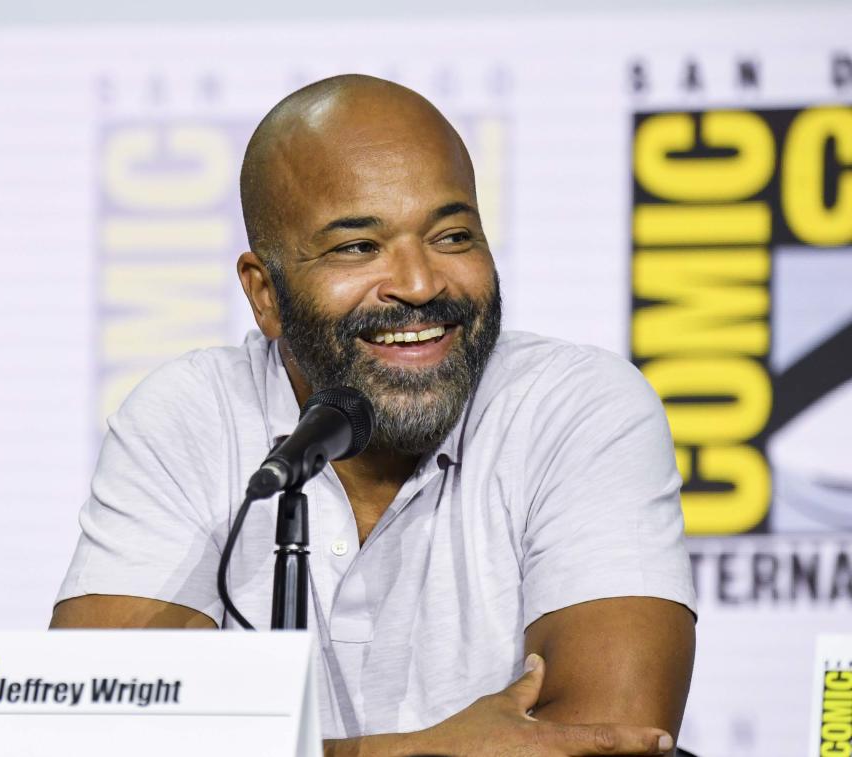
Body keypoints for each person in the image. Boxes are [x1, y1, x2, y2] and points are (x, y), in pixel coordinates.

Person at [51, 74, 696, 756]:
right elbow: (92, 730)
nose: (419, 284)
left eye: (451, 236)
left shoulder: (577, 407)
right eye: (358, 247)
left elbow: (610, 740)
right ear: (264, 293)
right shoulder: (188, 416)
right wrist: (425, 750)